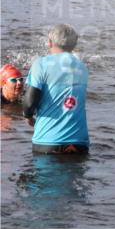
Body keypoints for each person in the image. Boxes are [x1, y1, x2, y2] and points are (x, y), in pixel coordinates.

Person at [22, 24, 90, 155]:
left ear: (50, 42)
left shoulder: (41, 64)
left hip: (48, 141)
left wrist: (28, 116)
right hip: (79, 142)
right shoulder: (82, 67)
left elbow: (29, 104)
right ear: (74, 45)